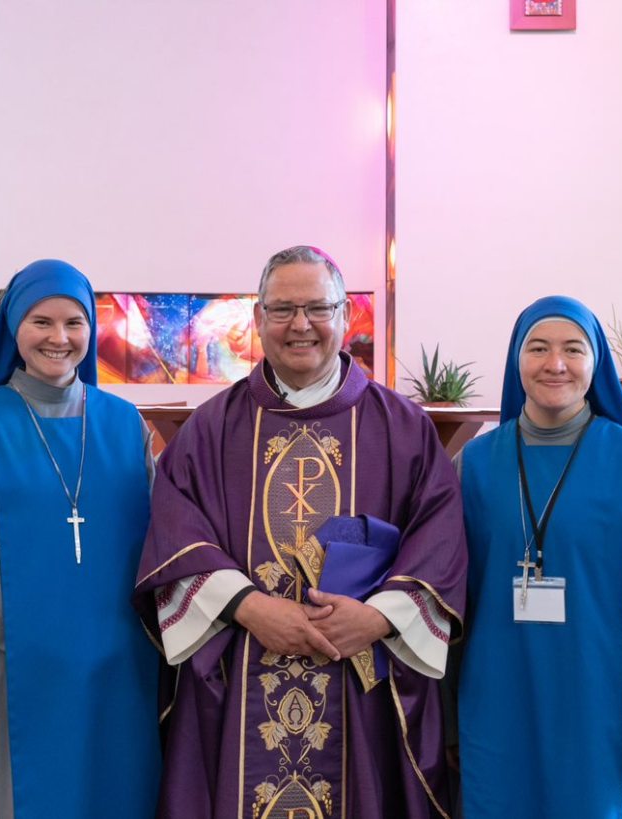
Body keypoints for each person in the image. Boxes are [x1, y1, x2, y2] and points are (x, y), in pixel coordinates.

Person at [135, 245, 467, 818]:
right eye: (283, 309)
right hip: (241, 672)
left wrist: (379, 618)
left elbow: (440, 541)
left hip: (361, 684)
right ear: (258, 319)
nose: (300, 325)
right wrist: (249, 608)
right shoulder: (210, 429)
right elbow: (175, 536)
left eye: (317, 308)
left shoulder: (404, 428)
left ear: (345, 316)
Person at [0, 258, 160, 819]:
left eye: (74, 323)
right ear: (14, 329)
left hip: (116, 660)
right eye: (41, 322)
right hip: (12, 654)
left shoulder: (124, 423)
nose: (59, 337)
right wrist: (38, 633)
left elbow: (158, 541)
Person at [455, 295, 622, 818]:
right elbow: (452, 604)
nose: (556, 363)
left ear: (596, 362)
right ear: (516, 359)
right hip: (497, 698)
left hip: (601, 701)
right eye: (537, 348)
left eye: (573, 348)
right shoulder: (472, 464)